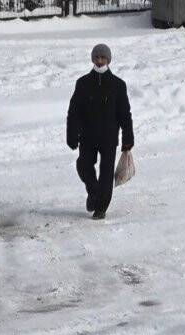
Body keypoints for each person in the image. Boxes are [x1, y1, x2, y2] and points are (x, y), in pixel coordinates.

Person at [66, 44, 134, 220]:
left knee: (106, 174)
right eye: (97, 57)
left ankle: (101, 207)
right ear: (92, 59)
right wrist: (72, 134)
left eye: (103, 58)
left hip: (108, 138)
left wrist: (128, 138)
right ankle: (94, 192)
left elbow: (124, 114)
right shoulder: (82, 83)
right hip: (87, 136)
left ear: (109, 60)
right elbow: (74, 111)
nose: (100, 60)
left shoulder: (118, 85)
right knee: (83, 165)